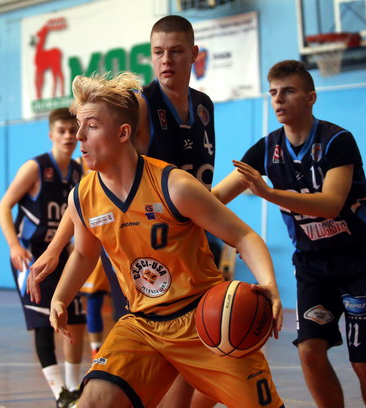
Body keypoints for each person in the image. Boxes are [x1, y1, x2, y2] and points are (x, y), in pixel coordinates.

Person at [30, 72, 285, 408]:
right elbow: (84, 254)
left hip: (203, 320)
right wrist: (61, 297)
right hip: (143, 325)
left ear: (123, 133)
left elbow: (244, 235)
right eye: (79, 126)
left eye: (90, 126)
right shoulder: (82, 196)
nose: (79, 136)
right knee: (92, 403)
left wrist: (269, 284)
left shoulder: (173, 185)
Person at [28, 15, 221, 407]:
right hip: (140, 247)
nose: (166, 60)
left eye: (176, 51)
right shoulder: (141, 105)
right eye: (158, 52)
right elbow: (93, 190)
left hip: (188, 246)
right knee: (156, 356)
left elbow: (199, 193)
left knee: (199, 358)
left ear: (194, 54)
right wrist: (56, 246)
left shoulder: (203, 106)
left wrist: (227, 214)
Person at [212, 60, 366, 408]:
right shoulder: (266, 149)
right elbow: (216, 198)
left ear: (311, 97)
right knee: (309, 351)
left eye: (288, 91)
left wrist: (269, 193)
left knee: (364, 362)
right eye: (273, 93)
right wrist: (175, 203)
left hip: (360, 262)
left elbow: (330, 205)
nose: (278, 99)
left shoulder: (338, 141)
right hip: (312, 265)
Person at [0, 108, 86, 408]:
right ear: (51, 135)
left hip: (62, 254)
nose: (68, 136)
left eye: (73, 130)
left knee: (75, 318)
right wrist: (13, 245)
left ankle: (74, 388)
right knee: (43, 321)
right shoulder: (35, 168)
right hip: (31, 255)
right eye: (62, 131)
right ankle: (60, 394)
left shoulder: (79, 171)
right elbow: (3, 206)